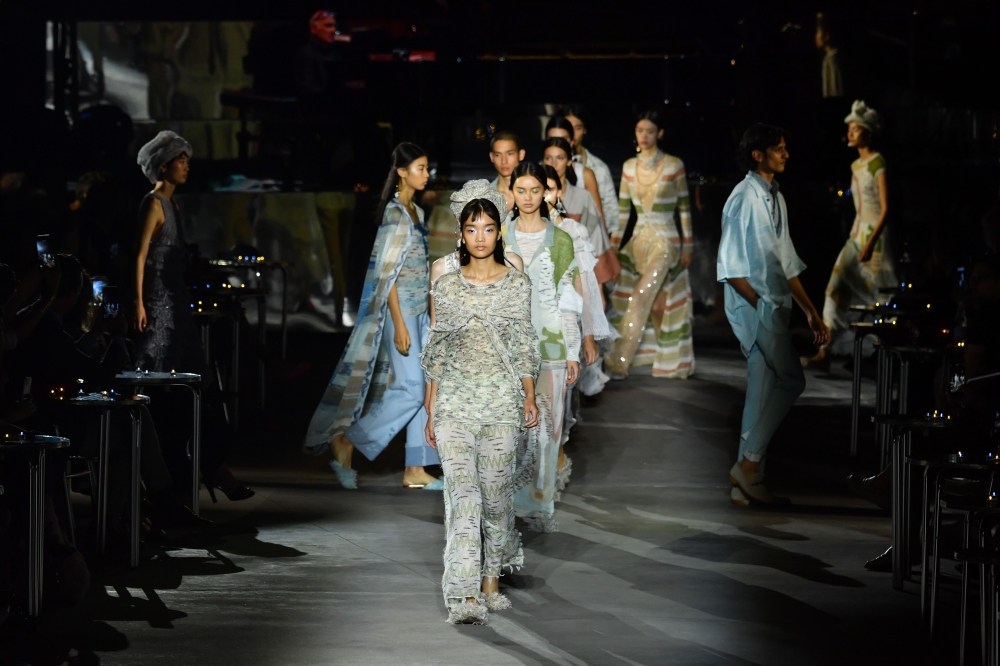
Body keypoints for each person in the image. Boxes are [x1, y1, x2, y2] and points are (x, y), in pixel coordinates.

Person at [422, 197, 540, 625]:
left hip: (501, 402)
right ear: (461, 233)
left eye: (488, 228)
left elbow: (525, 343)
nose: (480, 237)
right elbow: (437, 348)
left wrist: (528, 396)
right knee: (464, 497)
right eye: (472, 229)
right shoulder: (447, 285)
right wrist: (430, 406)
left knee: (493, 499)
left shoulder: (516, 283)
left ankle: (490, 578)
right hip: (454, 400)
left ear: (499, 232)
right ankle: (463, 594)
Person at [304, 143, 442, 489]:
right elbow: (386, 274)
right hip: (401, 316)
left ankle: (416, 468)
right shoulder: (395, 214)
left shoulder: (416, 213)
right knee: (411, 390)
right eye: (421, 168)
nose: (426, 174)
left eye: (427, 168)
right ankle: (348, 439)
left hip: (420, 313)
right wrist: (398, 323)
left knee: (425, 389)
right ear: (402, 172)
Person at [718, 124, 830, 505]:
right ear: (758, 154)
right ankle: (749, 464)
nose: (785, 154)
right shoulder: (742, 198)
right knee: (792, 380)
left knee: (762, 387)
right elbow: (730, 268)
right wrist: (760, 304)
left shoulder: (773, 196)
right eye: (778, 149)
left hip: (771, 303)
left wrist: (810, 311)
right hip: (756, 306)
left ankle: (746, 479)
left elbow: (786, 261)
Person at [503, 162, 581, 532]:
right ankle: (508, 503)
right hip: (507, 347)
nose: (529, 197)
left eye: (536, 190)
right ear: (512, 193)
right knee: (511, 427)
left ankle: (540, 504)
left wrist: (573, 351)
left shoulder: (561, 240)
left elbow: (569, 301)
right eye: (522, 190)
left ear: (546, 193)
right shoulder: (499, 235)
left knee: (548, 429)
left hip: (551, 345)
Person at [805, 100, 897, 368]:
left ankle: (884, 354)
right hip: (857, 235)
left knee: (880, 296)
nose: (851, 133)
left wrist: (872, 242)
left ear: (868, 132)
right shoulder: (856, 165)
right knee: (835, 287)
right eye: (850, 129)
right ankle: (826, 348)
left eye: (856, 129)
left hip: (875, 237)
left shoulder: (877, 163)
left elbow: (886, 207)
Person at [606, 109, 695, 379]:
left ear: (660, 133)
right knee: (656, 303)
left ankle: (619, 359)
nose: (644, 136)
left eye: (650, 131)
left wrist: (688, 245)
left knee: (642, 295)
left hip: (666, 240)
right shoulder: (628, 166)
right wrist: (614, 246)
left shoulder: (673, 164)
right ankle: (664, 354)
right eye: (640, 130)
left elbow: (684, 207)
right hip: (637, 242)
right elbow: (623, 213)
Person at [542, 165, 610, 496]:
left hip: (565, 327)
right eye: (536, 189)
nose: (543, 195)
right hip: (529, 330)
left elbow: (585, 287)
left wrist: (588, 336)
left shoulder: (571, 231)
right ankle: (535, 482)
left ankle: (552, 475)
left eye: (549, 188)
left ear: (558, 193)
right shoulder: (510, 229)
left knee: (559, 408)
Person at [134, 131, 201, 373]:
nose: (186, 168)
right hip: (157, 293)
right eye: (180, 162)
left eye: (187, 162)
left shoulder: (173, 204)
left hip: (175, 290)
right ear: (163, 165)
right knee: (157, 350)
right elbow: (140, 255)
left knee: (179, 351)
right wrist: (139, 302)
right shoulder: (153, 204)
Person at [542, 137, 619, 285]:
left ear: (569, 161)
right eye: (548, 158)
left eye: (560, 158)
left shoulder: (582, 197)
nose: (554, 164)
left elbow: (595, 238)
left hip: (578, 273)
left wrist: (599, 286)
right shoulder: (533, 197)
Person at [561, 106, 621, 236]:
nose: (573, 133)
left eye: (578, 128)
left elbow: (610, 211)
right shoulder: (545, 167)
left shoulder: (598, 168)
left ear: (585, 130)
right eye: (568, 127)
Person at [545, 115, 604, 221]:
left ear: (572, 142)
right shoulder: (533, 173)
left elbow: (597, 221)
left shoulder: (586, 174)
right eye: (552, 139)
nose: (556, 145)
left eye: (563, 140)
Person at [487, 131, 524, 217]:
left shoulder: (533, 194)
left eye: (510, 154)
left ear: (521, 154)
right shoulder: (484, 197)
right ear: (491, 157)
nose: (504, 161)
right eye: (498, 155)